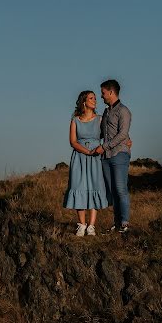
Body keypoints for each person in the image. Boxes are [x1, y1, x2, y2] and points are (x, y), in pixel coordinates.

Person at [63, 91, 109, 236]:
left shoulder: (100, 119)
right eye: (91, 98)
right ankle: (82, 224)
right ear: (84, 101)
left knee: (95, 185)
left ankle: (91, 226)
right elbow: (73, 142)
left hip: (96, 156)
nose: (95, 100)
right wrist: (87, 151)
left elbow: (109, 134)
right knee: (78, 186)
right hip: (79, 157)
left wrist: (125, 139)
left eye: (95, 98)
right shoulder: (75, 120)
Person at [92, 79, 132, 233]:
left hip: (119, 154)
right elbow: (103, 133)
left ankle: (125, 223)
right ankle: (117, 223)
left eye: (103, 93)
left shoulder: (124, 111)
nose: (101, 96)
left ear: (111, 92)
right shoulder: (106, 112)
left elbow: (123, 134)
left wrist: (104, 146)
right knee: (112, 191)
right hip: (106, 157)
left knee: (121, 189)